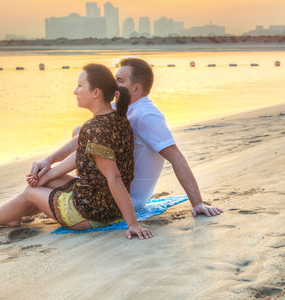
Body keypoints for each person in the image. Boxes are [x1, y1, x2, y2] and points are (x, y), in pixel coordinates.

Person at [0, 63, 153, 239]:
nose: (75, 91)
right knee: (47, 179)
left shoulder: (95, 129)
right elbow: (80, 155)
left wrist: (133, 225)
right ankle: (9, 215)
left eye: (80, 86)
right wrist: (48, 170)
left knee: (31, 192)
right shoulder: (117, 118)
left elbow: (115, 178)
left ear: (95, 92)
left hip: (93, 213)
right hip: (103, 202)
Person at [26, 58, 223, 217]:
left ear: (136, 89)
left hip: (124, 197)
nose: (113, 86)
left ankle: (11, 212)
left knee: (44, 179)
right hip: (106, 185)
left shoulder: (147, 116)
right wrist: (49, 160)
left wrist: (197, 203)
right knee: (80, 130)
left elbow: (176, 157)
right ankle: (12, 212)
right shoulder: (121, 107)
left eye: (119, 82)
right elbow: (84, 137)